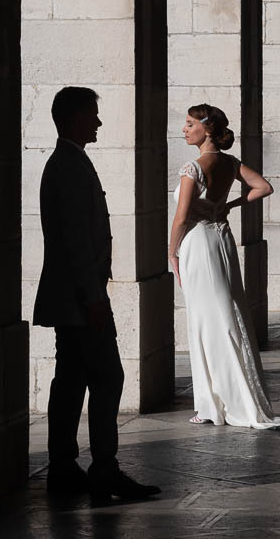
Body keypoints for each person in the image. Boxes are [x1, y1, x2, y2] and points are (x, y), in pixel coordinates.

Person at [33, 86, 161, 498]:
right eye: (93, 114)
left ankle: (64, 467)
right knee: (107, 377)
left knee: (70, 380)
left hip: (73, 296)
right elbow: (75, 242)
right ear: (73, 119)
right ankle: (101, 467)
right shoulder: (67, 165)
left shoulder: (69, 161)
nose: (99, 122)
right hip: (78, 299)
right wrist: (93, 299)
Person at [169, 103, 280, 430]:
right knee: (227, 316)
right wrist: (230, 204)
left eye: (189, 124)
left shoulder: (192, 169)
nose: (184, 129)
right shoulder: (229, 163)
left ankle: (213, 405)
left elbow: (182, 218)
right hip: (222, 241)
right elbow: (264, 187)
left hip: (199, 244)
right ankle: (220, 401)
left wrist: (171, 253)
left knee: (205, 321)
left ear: (207, 129)